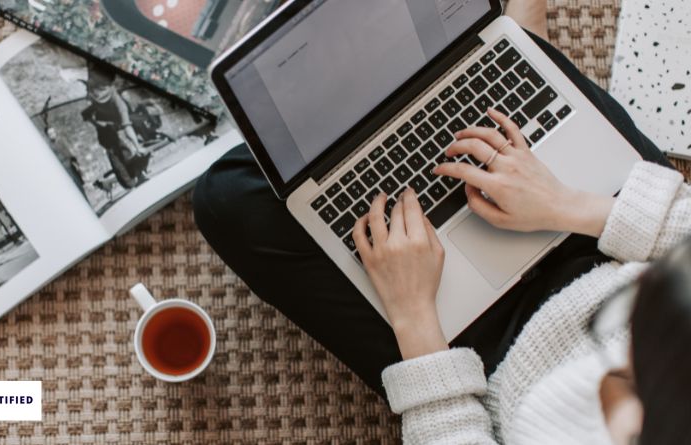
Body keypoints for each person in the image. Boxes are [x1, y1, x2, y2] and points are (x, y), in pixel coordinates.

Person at [192, 0, 691, 443]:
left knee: (229, 197)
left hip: (483, 362)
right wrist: (562, 202)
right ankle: (509, 47)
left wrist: (414, 317)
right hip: (616, 245)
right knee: (515, 73)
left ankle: (503, 46)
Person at [81, 67, 151, 189]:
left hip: (117, 125)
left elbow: (127, 127)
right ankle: (132, 179)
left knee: (125, 151)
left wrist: (137, 146)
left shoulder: (119, 104)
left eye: (99, 89)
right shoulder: (94, 88)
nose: (96, 94)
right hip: (107, 129)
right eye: (93, 90)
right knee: (115, 152)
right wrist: (96, 123)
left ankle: (137, 175)